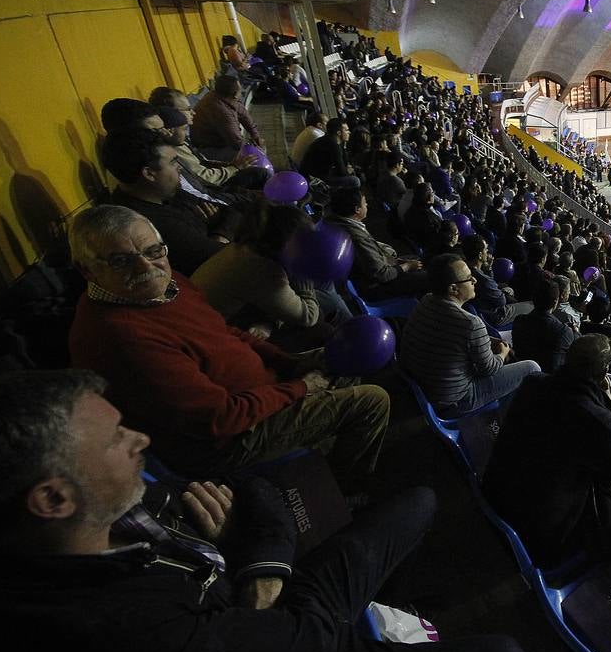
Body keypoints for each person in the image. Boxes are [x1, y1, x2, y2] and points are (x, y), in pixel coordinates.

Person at [0, 370, 525, 652]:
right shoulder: (110, 637)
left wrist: (263, 571)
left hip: (273, 603)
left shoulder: (103, 509)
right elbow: (308, 639)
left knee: (419, 503)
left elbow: (254, 489)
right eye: (117, 439)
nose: (140, 440)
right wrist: (259, 570)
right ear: (53, 498)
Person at [67, 206, 390, 491]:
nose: (144, 267)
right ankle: (346, 489)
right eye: (121, 261)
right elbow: (219, 418)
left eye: (153, 251)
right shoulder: (119, 337)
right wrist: (301, 386)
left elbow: (224, 330)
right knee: (372, 402)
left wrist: (287, 363)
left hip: (260, 387)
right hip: (229, 439)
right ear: (87, 270)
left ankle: (320, 442)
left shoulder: (167, 284)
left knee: (341, 367)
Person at [483, 335, 611, 566]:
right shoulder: (599, 420)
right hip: (536, 532)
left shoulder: (533, 382)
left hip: (494, 493)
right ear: (604, 371)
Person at [397, 254, 540, 415]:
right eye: (469, 278)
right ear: (453, 288)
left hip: (420, 388)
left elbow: (451, 339)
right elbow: (489, 369)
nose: (475, 281)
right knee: (531, 367)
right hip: (452, 400)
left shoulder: (427, 300)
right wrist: (502, 353)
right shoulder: (471, 323)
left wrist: (485, 341)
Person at [192, 200, 346, 345]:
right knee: (323, 320)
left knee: (326, 289)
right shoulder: (265, 271)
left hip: (217, 306)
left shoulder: (250, 243)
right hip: (212, 328)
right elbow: (309, 316)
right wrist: (304, 281)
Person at [98, 125, 230, 275]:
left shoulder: (166, 192)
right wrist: (219, 233)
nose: (180, 168)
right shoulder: (149, 224)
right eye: (173, 162)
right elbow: (226, 258)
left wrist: (217, 232)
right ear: (149, 173)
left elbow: (231, 212)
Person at [325, 186, 428, 299]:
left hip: (365, 276)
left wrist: (396, 262)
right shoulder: (356, 236)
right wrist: (407, 266)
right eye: (365, 203)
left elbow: (372, 260)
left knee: (415, 259)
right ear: (357, 209)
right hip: (372, 287)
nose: (367, 205)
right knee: (428, 277)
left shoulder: (337, 222)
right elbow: (382, 275)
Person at [511, 276, 576, 373]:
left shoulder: (519, 321)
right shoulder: (563, 331)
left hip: (519, 374)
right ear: (555, 302)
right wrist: (576, 333)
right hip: (546, 383)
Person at [191, 73, 263, 156]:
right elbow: (237, 142)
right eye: (240, 91)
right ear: (235, 95)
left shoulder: (220, 95)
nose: (242, 92)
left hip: (219, 140)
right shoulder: (222, 112)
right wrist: (256, 149)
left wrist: (255, 135)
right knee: (253, 156)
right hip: (207, 148)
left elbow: (243, 114)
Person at [301, 117, 361, 189]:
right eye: (347, 130)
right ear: (339, 133)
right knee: (355, 180)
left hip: (322, 172)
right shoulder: (332, 144)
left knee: (355, 172)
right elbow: (342, 172)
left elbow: (344, 163)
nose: (349, 132)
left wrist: (344, 145)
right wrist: (347, 170)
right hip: (313, 177)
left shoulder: (333, 140)